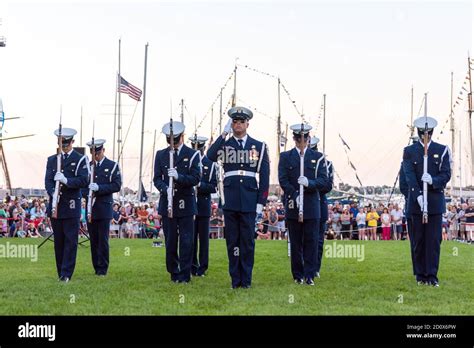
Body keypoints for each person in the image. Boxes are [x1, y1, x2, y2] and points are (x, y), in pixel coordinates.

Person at [207, 106, 270, 289]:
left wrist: (261, 203)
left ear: (247, 124)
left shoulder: (259, 146)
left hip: (250, 199)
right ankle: (235, 280)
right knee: (232, 241)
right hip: (231, 199)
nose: (238, 125)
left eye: (241, 122)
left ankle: (246, 279)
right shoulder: (225, 145)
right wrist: (223, 135)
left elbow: (264, 178)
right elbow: (209, 157)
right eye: (235, 121)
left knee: (248, 242)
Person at [402, 116, 451, 286]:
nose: (425, 137)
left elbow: (446, 174)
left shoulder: (442, 149)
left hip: (435, 202)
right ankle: (420, 275)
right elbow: (409, 176)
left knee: (433, 240)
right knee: (418, 240)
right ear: (418, 133)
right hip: (416, 202)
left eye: (427, 134)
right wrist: (418, 196)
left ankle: (432, 276)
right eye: (422, 134)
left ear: (431, 133)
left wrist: (433, 180)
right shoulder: (409, 151)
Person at [278, 124, 329, 286]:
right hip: (294, 203)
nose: (302, 142)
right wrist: (294, 194)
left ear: (308, 139)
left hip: (312, 204)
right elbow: (283, 179)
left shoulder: (318, 157)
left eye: (304, 139)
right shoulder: (286, 157)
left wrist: (309, 183)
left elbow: (324, 181)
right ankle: (298, 274)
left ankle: (309, 275)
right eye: (299, 139)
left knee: (311, 241)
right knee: (295, 242)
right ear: (294, 139)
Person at [154, 121, 200, 283]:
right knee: (171, 240)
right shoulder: (161, 155)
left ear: (182, 137)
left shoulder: (193, 154)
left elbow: (196, 178)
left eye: (174, 139)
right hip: (168, 203)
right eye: (169, 139)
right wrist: (164, 188)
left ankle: (185, 274)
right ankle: (174, 272)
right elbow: (156, 179)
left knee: (187, 240)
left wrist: (179, 177)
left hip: (185, 202)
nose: (171, 142)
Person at [44, 127, 89, 282]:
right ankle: (60, 271)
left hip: (71, 204)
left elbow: (84, 180)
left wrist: (66, 181)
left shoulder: (80, 159)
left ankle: (66, 273)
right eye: (62, 143)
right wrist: (53, 193)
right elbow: (48, 180)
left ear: (72, 142)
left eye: (67, 143)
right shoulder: (52, 159)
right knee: (59, 241)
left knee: (70, 240)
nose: (64, 146)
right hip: (56, 204)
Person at [85, 138, 122, 276]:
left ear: (103, 151)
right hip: (90, 208)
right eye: (93, 153)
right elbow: (82, 186)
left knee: (103, 240)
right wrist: (87, 192)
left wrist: (99, 188)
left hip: (104, 207)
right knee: (93, 239)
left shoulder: (112, 165)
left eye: (98, 152)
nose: (95, 155)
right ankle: (96, 266)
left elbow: (116, 185)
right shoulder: (88, 166)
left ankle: (103, 268)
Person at [190, 135, 217, 277]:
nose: (197, 151)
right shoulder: (187, 161)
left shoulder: (211, 164)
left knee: (204, 239)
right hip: (189, 205)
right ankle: (192, 265)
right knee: (190, 238)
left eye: (199, 148)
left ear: (203, 148)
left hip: (203, 205)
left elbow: (214, 187)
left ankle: (203, 267)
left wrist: (200, 185)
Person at [310, 136, 333, 278]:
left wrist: (313, 187)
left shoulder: (327, 164)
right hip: (304, 203)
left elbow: (328, 184)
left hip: (319, 201)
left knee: (318, 240)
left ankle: (315, 267)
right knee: (303, 239)